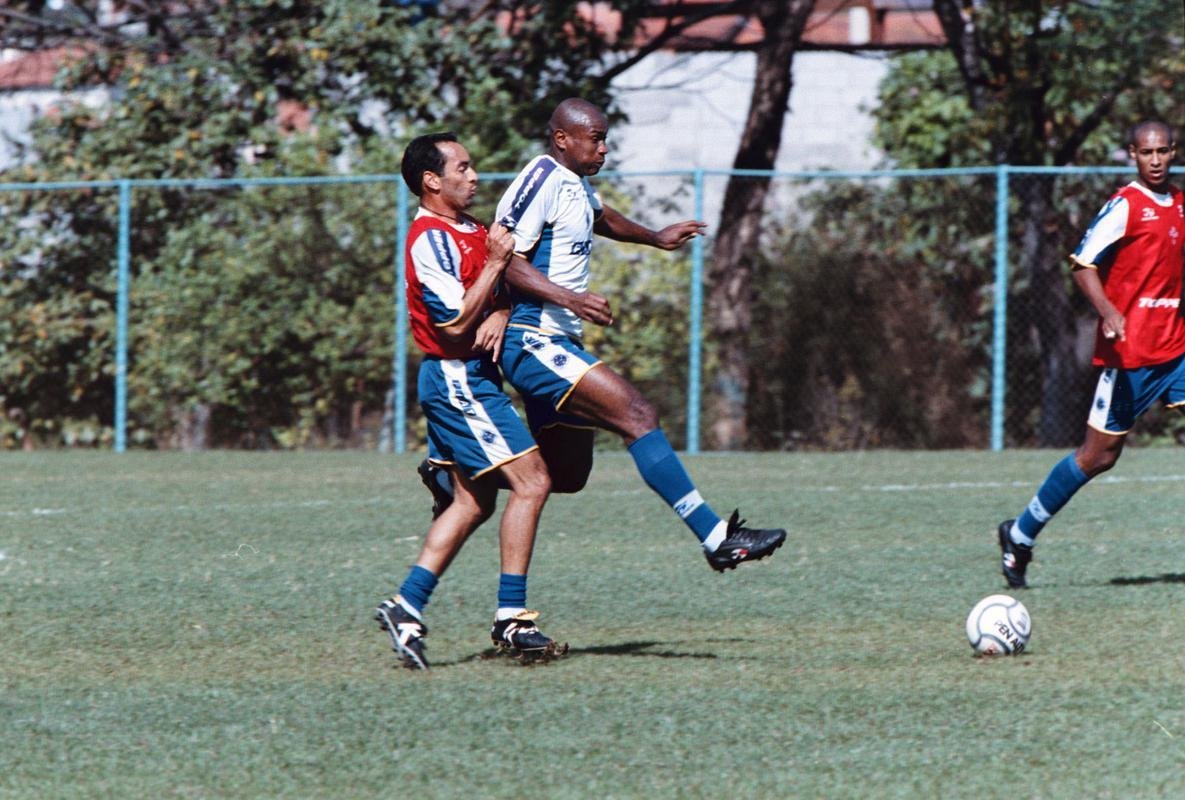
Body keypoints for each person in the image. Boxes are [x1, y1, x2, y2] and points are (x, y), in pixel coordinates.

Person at [470, 97, 784, 572]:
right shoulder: (539, 178)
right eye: (595, 139)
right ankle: (717, 536)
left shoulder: (574, 185)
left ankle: (456, 472)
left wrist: (655, 237)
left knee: (567, 475)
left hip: (560, 342)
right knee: (637, 413)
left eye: (605, 139)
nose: (604, 149)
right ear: (562, 140)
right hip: (533, 340)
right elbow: (505, 260)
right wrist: (569, 298)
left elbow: (602, 217)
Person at [375, 132, 566, 669]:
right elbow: (456, 320)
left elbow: (494, 298)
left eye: (473, 164)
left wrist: (503, 310)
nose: (474, 175)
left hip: (475, 375)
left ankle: (405, 605)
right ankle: (512, 618)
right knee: (533, 481)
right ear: (431, 180)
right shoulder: (428, 239)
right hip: (457, 377)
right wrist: (494, 267)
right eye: (462, 167)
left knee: (473, 502)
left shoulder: (475, 231)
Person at [997, 120, 1183, 588]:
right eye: (1147, 152)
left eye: (1163, 151)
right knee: (1097, 457)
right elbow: (1083, 265)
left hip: (1176, 349)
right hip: (1130, 356)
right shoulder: (1124, 206)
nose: (1156, 159)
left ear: (1174, 152)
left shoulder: (1181, 204)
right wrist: (1110, 313)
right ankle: (1020, 534)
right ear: (1132, 155)